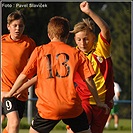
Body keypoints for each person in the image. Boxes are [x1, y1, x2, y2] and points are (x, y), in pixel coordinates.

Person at [2, 16, 110, 133]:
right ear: (67, 36)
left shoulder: (40, 51)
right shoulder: (77, 53)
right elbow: (89, 80)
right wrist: (99, 102)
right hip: (72, 107)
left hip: (48, 108)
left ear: (49, 35)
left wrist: (10, 92)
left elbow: (24, 75)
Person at [67, 1, 114, 133]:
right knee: (74, 130)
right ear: (75, 40)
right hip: (83, 102)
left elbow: (105, 30)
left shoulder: (101, 51)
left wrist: (88, 12)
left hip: (103, 104)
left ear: (94, 37)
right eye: (79, 40)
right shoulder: (73, 55)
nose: (83, 43)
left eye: (86, 38)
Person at [1, 10, 36, 133]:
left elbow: (35, 68)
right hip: (6, 91)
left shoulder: (29, 43)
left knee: (11, 126)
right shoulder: (2, 42)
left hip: (21, 92)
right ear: (8, 26)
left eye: (20, 26)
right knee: (14, 123)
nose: (17, 29)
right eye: (15, 25)